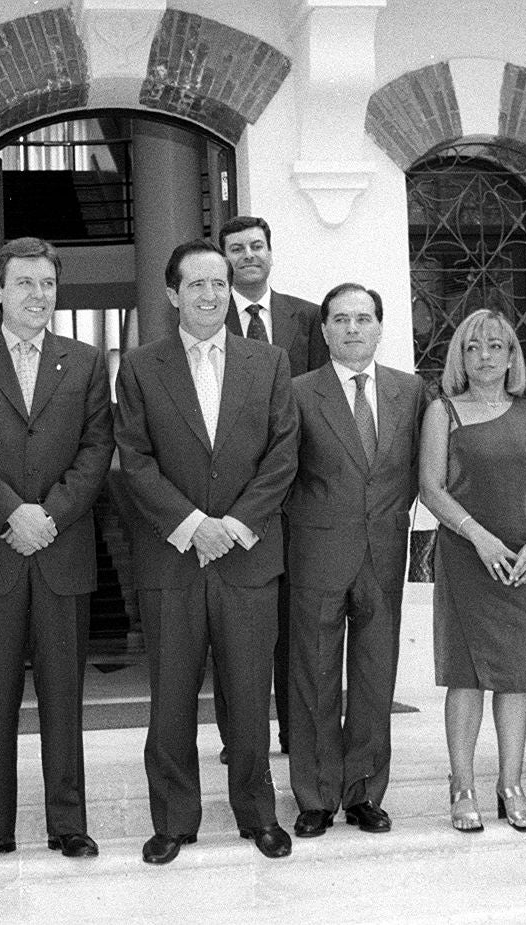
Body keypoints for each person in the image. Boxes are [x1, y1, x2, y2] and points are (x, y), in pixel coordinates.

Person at [114, 239, 299, 864]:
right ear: (172, 294)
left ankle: (257, 814)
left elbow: (282, 455)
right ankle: (173, 819)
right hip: (175, 559)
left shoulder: (268, 362)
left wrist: (238, 524)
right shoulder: (140, 367)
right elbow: (134, 461)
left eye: (219, 282)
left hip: (248, 556)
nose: (211, 294)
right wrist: (195, 523)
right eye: (196, 284)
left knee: (249, 696)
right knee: (170, 697)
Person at [0, 237, 114, 865]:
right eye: (26, 284)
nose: (40, 295)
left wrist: (50, 515)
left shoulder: (87, 361)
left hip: (62, 551)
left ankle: (69, 823)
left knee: (65, 695)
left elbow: (97, 450)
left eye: (48, 284)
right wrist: (13, 512)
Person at [284, 283, 424, 838]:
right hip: (317, 550)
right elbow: (282, 472)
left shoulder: (409, 391)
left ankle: (365, 791)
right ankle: (316, 797)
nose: (351, 329)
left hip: (385, 551)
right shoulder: (297, 391)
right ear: (323, 330)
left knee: (374, 676)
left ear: (380, 326)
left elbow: (419, 468)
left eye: (362, 318)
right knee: (313, 675)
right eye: (339, 319)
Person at [419, 309, 526, 833]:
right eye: (473, 347)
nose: (484, 357)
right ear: (460, 355)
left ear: (511, 356)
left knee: (517, 677)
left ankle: (512, 784)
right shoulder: (443, 412)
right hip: (468, 555)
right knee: (466, 677)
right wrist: (479, 538)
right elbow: (430, 488)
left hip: (525, 563)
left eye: (495, 347)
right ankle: (462, 788)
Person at [217, 215, 328, 758]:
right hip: (235, 504)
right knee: (234, 630)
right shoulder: (210, 320)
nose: (248, 257)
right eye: (236, 250)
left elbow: (325, 406)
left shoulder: (309, 319)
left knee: (294, 624)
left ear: (270, 251)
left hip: (301, 500)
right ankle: (237, 735)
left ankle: (293, 729)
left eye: (256, 246)